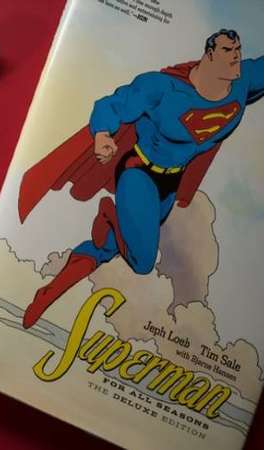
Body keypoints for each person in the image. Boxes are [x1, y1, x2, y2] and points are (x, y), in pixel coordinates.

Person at [20, 29, 264, 328]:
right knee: (143, 261)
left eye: (238, 49)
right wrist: (102, 135)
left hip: (169, 187)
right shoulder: (163, 88)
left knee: (108, 247)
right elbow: (114, 104)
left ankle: (48, 293)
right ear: (209, 54)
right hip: (139, 175)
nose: (236, 56)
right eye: (227, 50)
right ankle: (109, 214)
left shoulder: (243, 82)